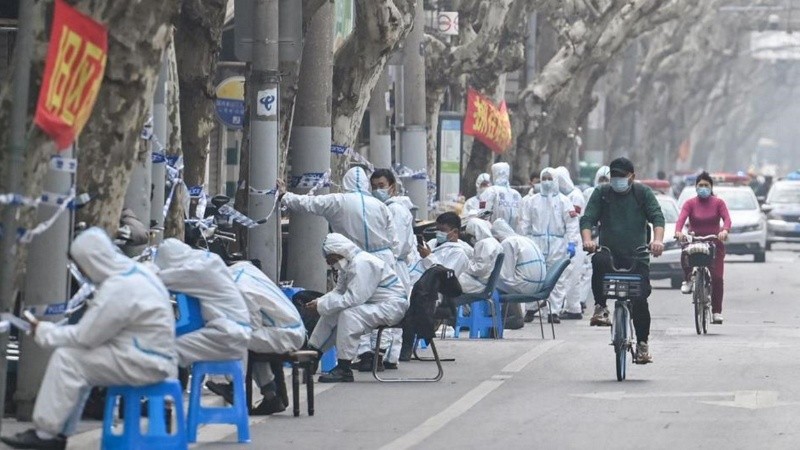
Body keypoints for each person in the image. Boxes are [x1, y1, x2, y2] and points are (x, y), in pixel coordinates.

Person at [1, 228, 177, 450]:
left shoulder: (119, 287)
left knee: (68, 360)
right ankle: (57, 432)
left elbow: (85, 337)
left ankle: (46, 434)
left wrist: (44, 332)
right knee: (80, 364)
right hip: (151, 356)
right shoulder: (136, 274)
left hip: (145, 362)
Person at [581, 157, 665, 364]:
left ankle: (643, 344)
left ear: (632, 177)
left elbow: (657, 217)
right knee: (598, 260)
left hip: (637, 255)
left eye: (621, 176)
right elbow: (588, 219)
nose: (617, 180)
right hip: (609, 252)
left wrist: (657, 241)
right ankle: (601, 307)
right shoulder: (602, 193)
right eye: (614, 176)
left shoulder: (642, 193)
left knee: (640, 300)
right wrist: (587, 240)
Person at [306, 233, 408, 382]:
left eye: (331, 258)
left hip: (391, 307)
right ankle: (313, 353)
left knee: (349, 315)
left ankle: (344, 368)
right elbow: (338, 292)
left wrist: (321, 305)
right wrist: (319, 302)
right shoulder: (349, 264)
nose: (329, 263)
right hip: (375, 304)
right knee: (332, 311)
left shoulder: (363, 263)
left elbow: (354, 299)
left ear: (340, 251)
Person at [219, 261, 307, 415]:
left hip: (285, 334)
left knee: (238, 335)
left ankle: (234, 385)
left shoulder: (239, 288)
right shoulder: (244, 269)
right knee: (252, 344)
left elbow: (250, 325)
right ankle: (271, 395)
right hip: (290, 328)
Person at [355, 169, 418, 371]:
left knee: (385, 311)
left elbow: (394, 244)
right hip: (388, 265)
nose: (377, 190)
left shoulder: (395, 210)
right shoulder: (383, 208)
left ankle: (380, 355)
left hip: (392, 266)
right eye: (373, 187)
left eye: (381, 186)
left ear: (392, 187)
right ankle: (388, 356)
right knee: (388, 311)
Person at [154, 239, 252, 368]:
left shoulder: (197, 271)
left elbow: (157, 279)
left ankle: (167, 381)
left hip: (226, 334)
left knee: (164, 352)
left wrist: (140, 267)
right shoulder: (207, 260)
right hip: (233, 331)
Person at [279, 166, 399, 268]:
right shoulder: (380, 206)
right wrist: (392, 260)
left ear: (346, 182)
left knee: (354, 288)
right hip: (383, 261)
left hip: (355, 261)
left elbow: (309, 203)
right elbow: (393, 238)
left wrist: (284, 196)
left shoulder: (337, 201)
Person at [518, 167, 579, 324]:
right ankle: (531, 308)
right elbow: (525, 223)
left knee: (558, 278)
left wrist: (572, 243)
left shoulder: (564, 201)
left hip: (557, 244)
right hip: (536, 243)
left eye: (549, 178)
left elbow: (572, 224)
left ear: (556, 180)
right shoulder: (532, 201)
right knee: (534, 276)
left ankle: (554, 311)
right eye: (543, 178)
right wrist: (523, 242)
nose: (546, 182)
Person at [674, 171, 731, 324]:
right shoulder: (690, 203)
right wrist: (678, 232)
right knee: (685, 251)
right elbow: (681, 219)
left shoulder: (718, 203)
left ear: (711, 187)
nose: (703, 188)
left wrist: (724, 231)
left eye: (706, 185)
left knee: (717, 278)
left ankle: (716, 311)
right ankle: (688, 279)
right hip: (695, 241)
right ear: (696, 187)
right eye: (700, 185)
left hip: (714, 243)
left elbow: (727, 219)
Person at [554, 166, 587, 320]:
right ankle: (569, 307)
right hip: (564, 239)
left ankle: (573, 308)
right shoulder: (561, 196)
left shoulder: (575, 196)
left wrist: (571, 242)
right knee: (565, 276)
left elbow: (573, 221)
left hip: (574, 239)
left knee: (573, 276)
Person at [410, 212, 474, 284]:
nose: (438, 233)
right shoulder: (433, 242)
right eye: (437, 230)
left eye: (442, 230)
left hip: (430, 288)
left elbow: (444, 277)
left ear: (455, 232)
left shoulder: (459, 254)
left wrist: (428, 257)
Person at [491, 218, 547, 298]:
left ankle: (494, 306)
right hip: (539, 286)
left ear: (497, 237)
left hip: (526, 286)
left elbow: (505, 275)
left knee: (487, 285)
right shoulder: (524, 239)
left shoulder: (507, 243)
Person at [458, 219, 503, 294]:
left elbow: (480, 270)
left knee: (453, 276)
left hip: (480, 283)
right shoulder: (493, 242)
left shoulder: (484, 244)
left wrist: (464, 263)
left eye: (470, 235)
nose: (470, 238)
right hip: (487, 281)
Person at [479, 162, 523, 229]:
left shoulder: (489, 191)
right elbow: (521, 218)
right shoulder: (517, 194)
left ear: (495, 174)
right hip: (513, 233)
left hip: (494, 233)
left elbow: (483, 213)